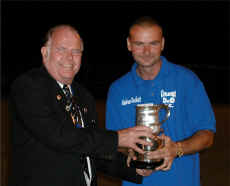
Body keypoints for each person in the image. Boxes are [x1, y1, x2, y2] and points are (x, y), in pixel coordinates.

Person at [9, 24, 155, 186]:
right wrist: (118, 138)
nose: (69, 57)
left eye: (76, 51)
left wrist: (135, 166)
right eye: (61, 49)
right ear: (45, 53)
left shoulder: (84, 96)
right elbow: (60, 136)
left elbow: (91, 150)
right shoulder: (29, 86)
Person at [106, 16, 216, 186]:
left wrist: (176, 149)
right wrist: (133, 154)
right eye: (139, 44)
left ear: (163, 43)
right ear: (129, 44)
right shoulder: (118, 89)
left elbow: (207, 135)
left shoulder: (187, 81)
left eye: (153, 43)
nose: (147, 51)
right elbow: (114, 142)